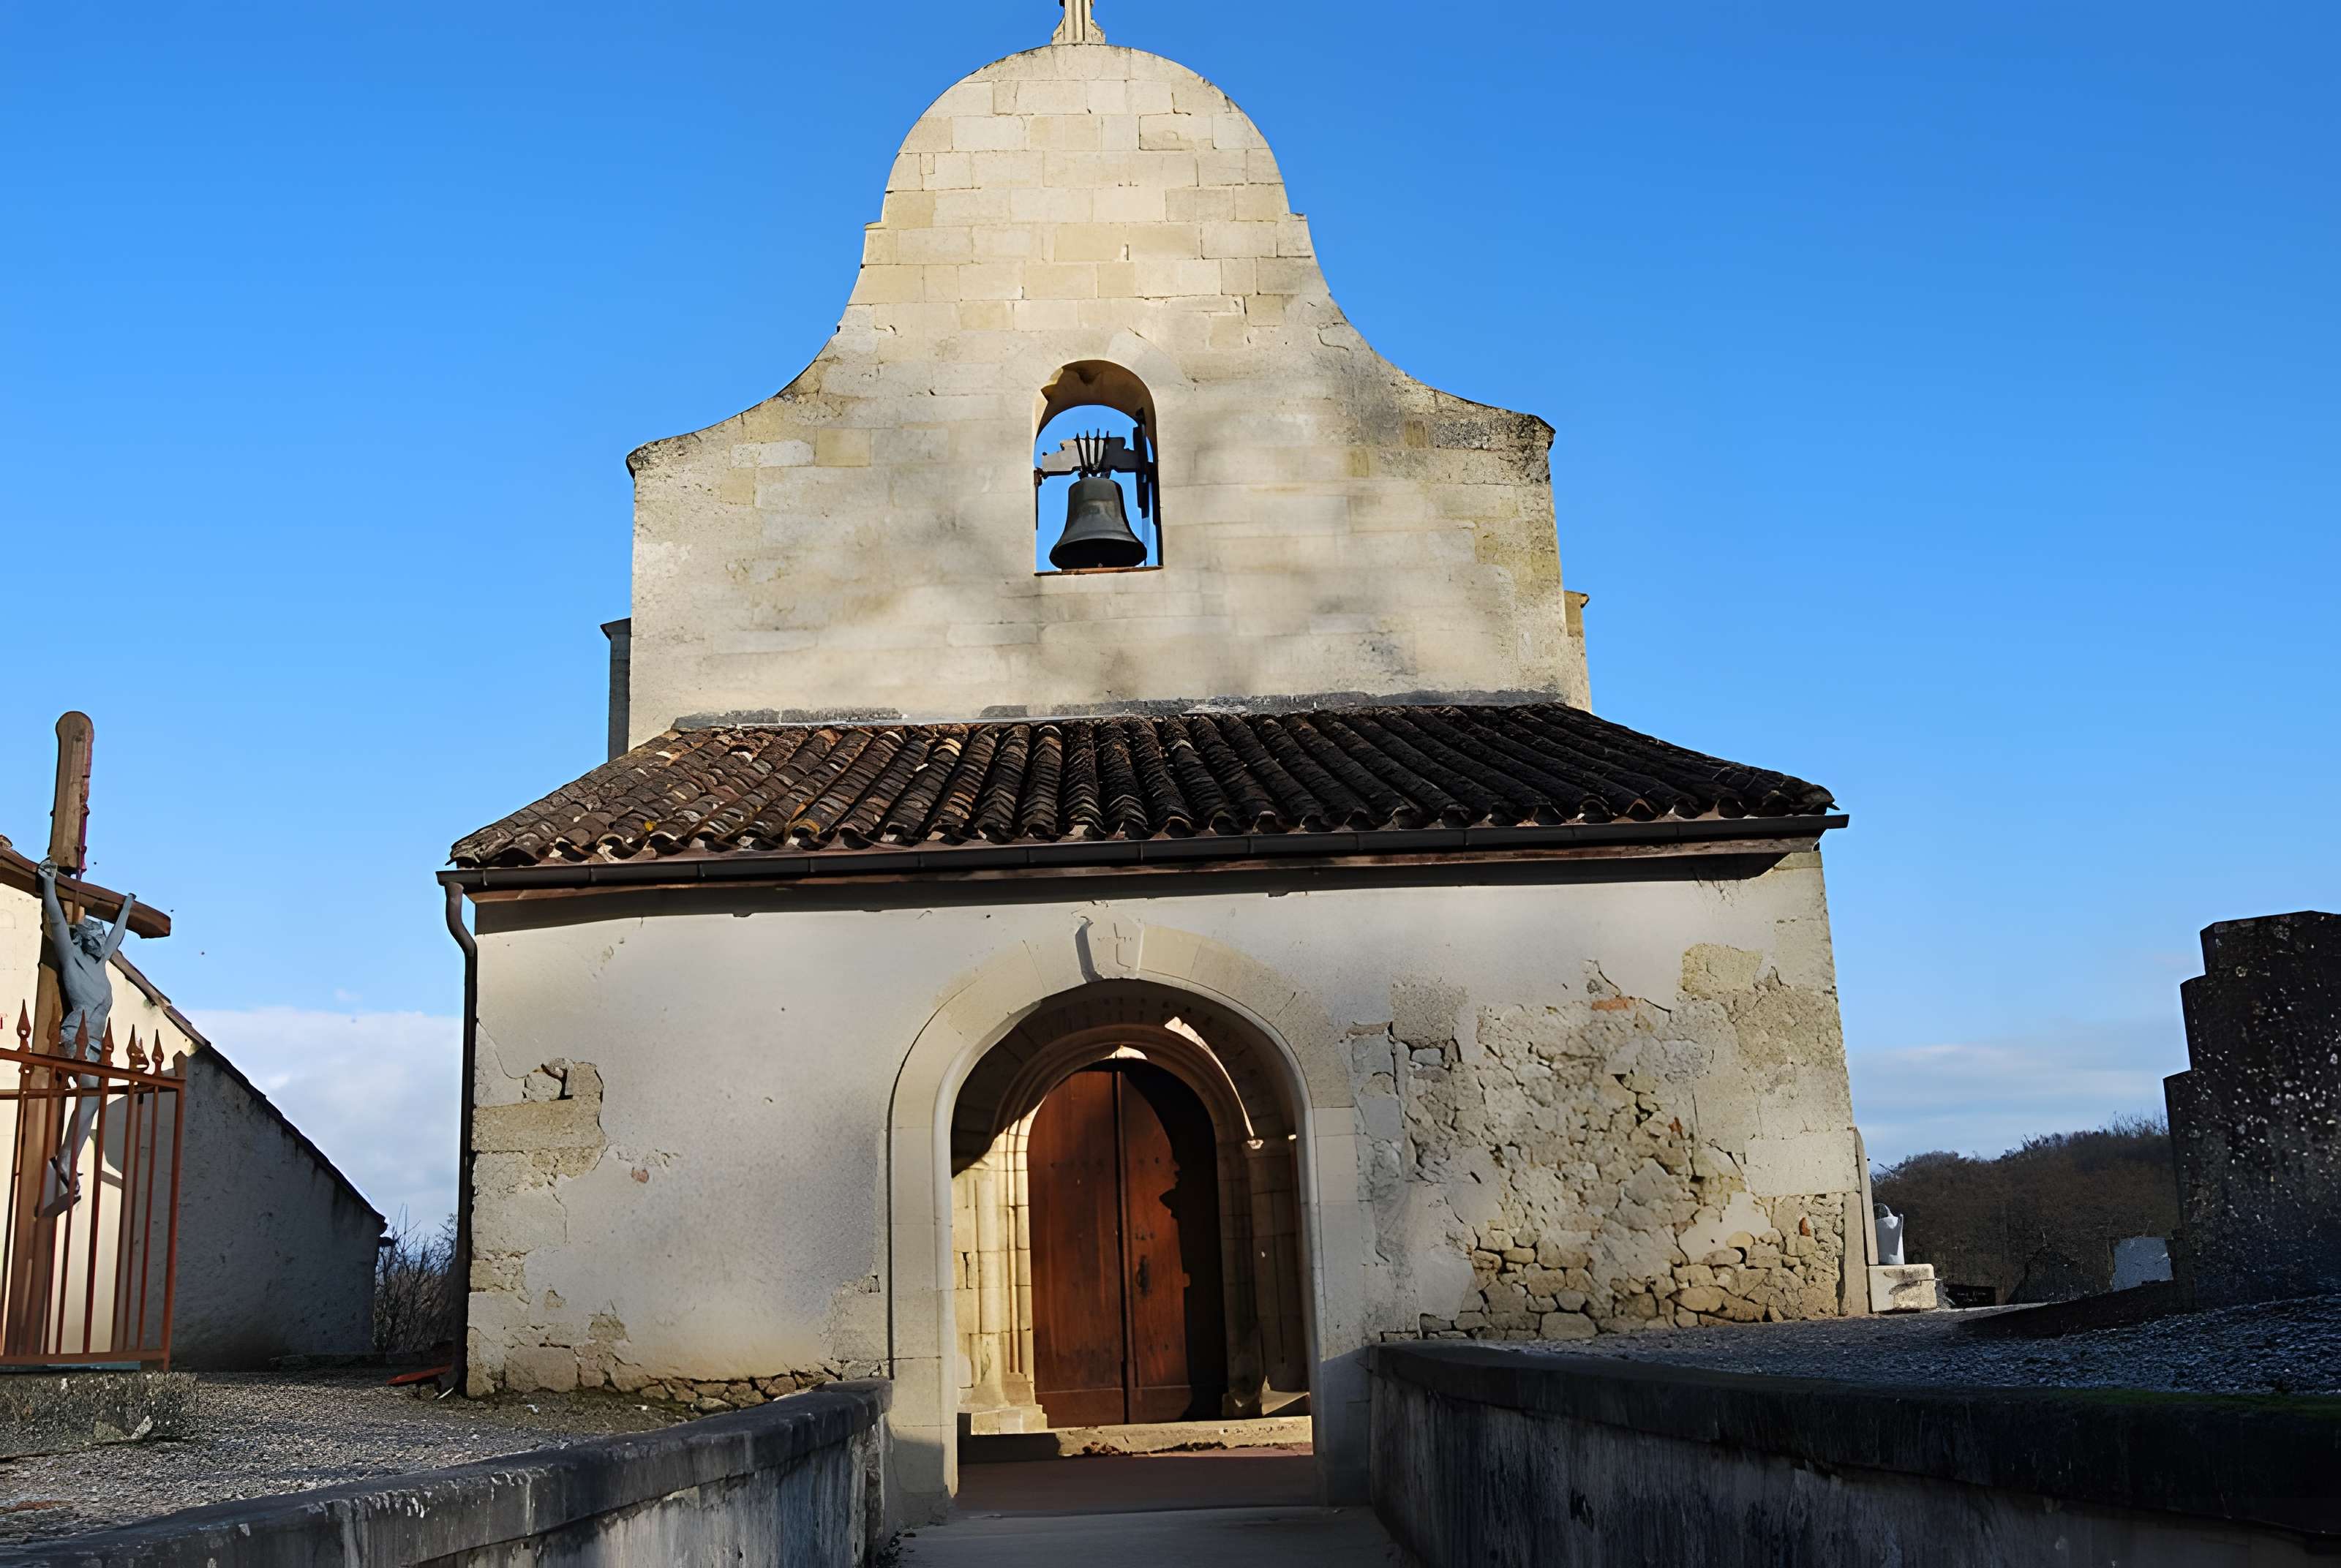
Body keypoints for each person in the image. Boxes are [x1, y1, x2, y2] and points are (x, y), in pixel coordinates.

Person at [34, 857, 135, 1219]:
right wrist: (48, 884)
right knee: (92, 1092)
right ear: (82, 940)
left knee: (92, 1097)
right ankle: (64, 1158)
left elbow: (116, 939)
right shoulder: (73, 959)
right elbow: (58, 923)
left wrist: (126, 908)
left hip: (93, 1044)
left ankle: (66, 1157)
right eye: (91, 934)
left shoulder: (98, 963)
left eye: (97, 935)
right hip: (72, 1038)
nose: (97, 938)